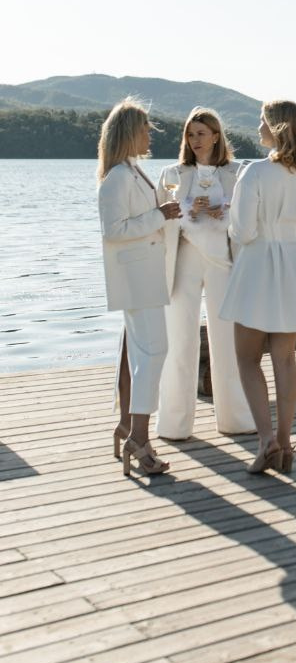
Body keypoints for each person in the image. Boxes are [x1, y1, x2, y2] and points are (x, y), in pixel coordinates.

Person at [220, 99, 296, 475]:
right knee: (285, 357)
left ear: (276, 126)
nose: (258, 127)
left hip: (259, 265)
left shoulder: (255, 172)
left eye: (262, 121)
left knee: (247, 358)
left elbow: (243, 231)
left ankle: (266, 441)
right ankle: (285, 441)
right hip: (294, 262)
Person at [155, 107, 254, 441]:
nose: (194, 140)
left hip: (223, 261)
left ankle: (236, 419)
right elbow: (159, 218)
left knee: (227, 340)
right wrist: (186, 210)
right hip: (183, 260)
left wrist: (224, 211)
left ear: (215, 136)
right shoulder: (172, 173)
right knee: (179, 341)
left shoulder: (239, 173)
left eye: (201, 133)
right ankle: (174, 424)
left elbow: (249, 217)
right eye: (190, 134)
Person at [97, 99, 181, 476]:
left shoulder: (133, 171)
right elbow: (113, 231)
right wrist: (158, 215)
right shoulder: (117, 177)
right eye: (145, 128)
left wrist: (168, 213)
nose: (150, 134)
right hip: (135, 279)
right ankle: (139, 438)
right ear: (129, 132)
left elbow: (145, 218)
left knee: (142, 354)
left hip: (147, 275)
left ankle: (128, 427)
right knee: (154, 353)